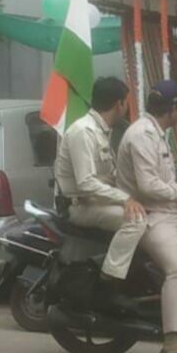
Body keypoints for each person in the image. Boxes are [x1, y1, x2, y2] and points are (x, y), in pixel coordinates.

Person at [115, 80, 177, 353]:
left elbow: (162, 180)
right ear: (174, 109)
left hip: (169, 211)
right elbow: (147, 185)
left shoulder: (157, 134)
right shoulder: (141, 135)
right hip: (151, 216)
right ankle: (172, 346)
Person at [54, 77, 148, 301]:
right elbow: (86, 183)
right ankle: (110, 280)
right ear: (119, 104)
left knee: (146, 211)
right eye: (127, 102)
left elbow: (110, 176)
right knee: (136, 220)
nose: (127, 108)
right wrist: (125, 199)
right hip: (81, 206)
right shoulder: (83, 132)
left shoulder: (102, 131)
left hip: (98, 202)